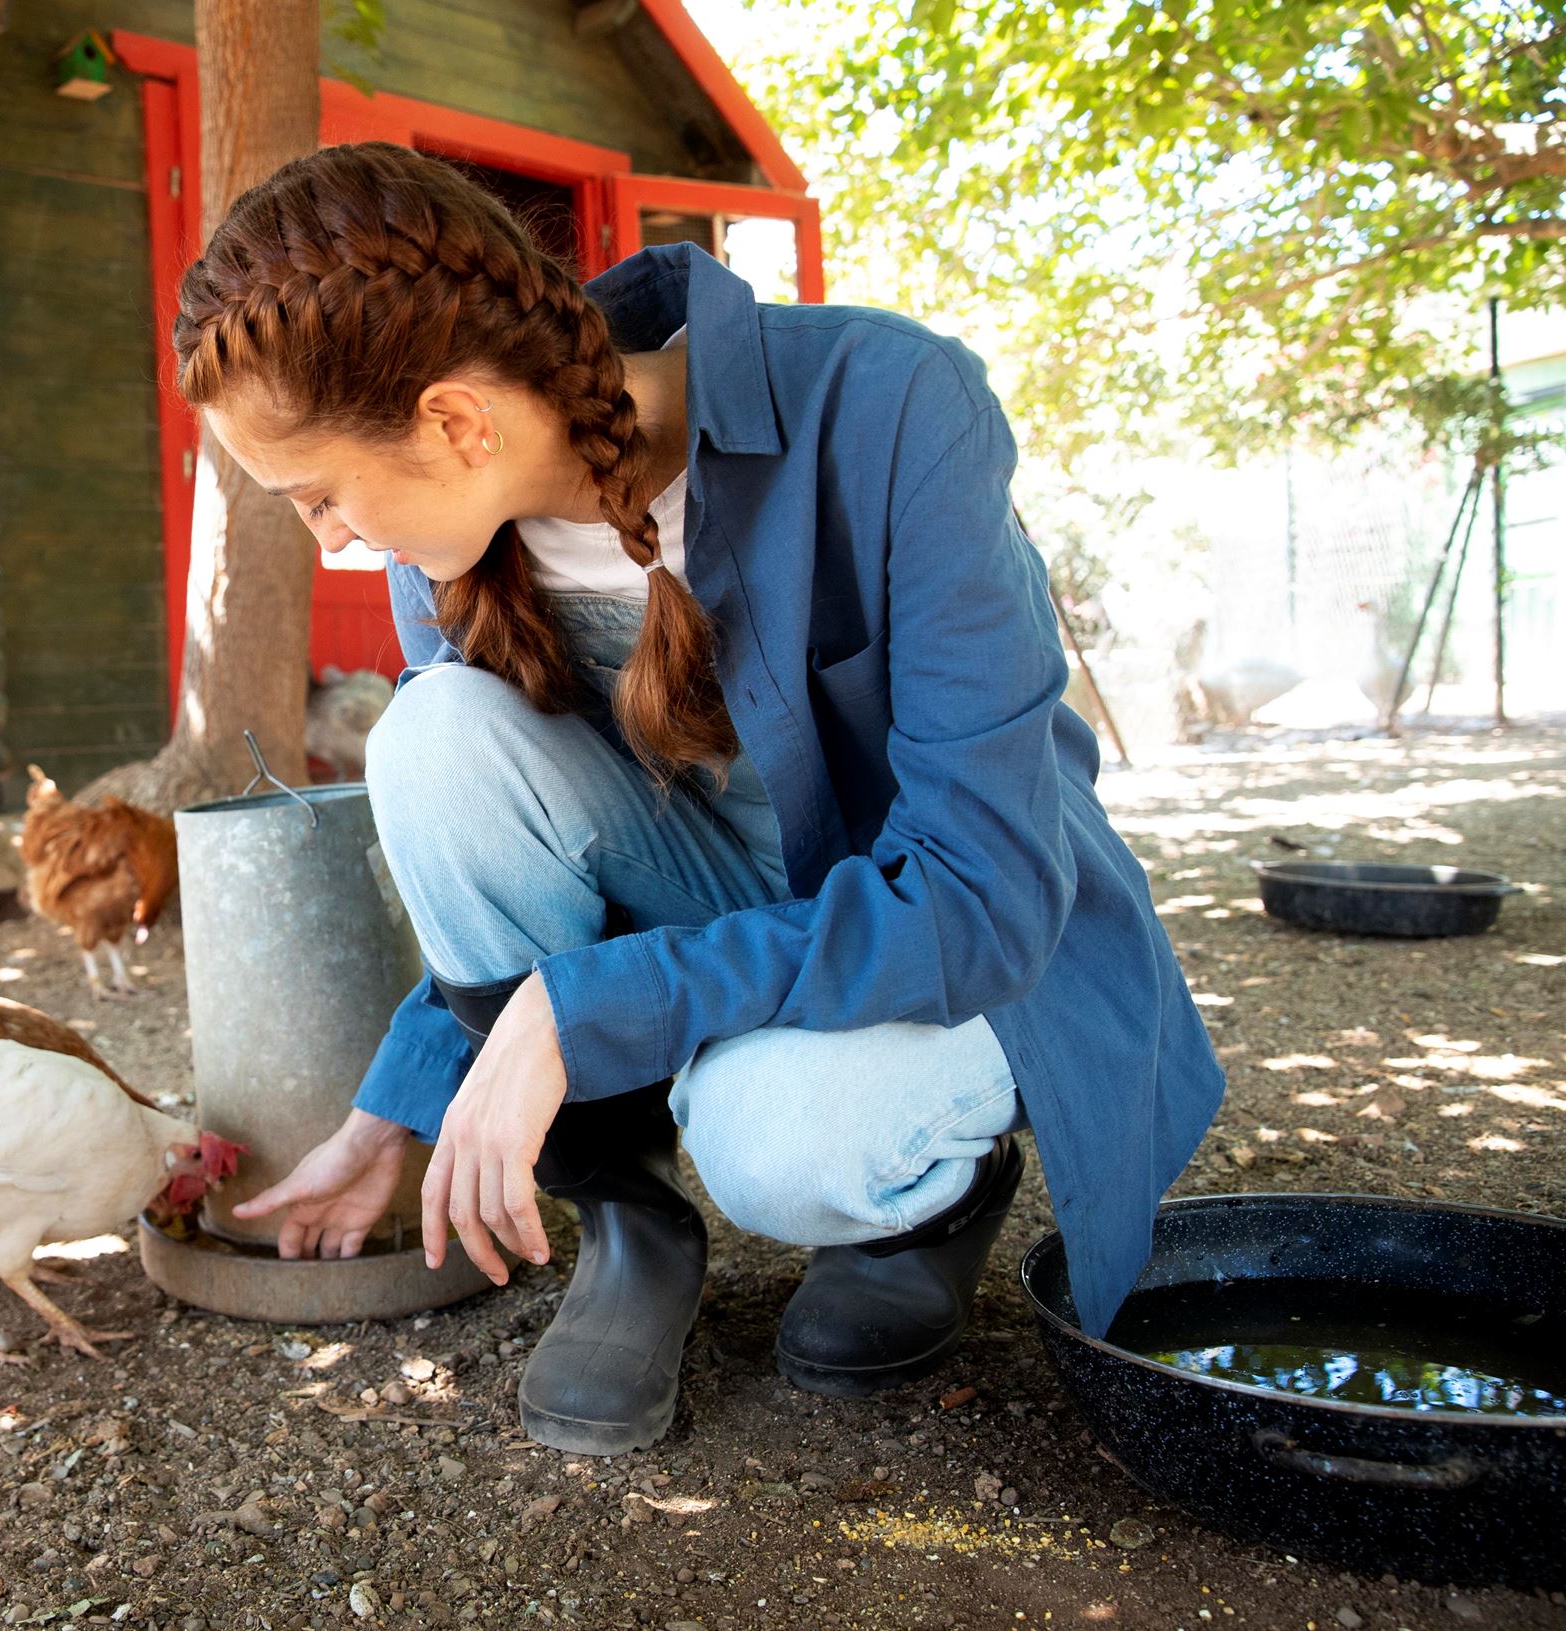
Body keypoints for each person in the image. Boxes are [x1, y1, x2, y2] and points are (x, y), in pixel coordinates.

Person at [192, 144, 1224, 1456]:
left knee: (774, 1141)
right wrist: (408, 1098)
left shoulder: (896, 407)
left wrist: (589, 1011)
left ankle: (930, 1199)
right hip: (725, 912)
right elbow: (505, 854)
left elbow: (984, 899)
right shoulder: (450, 538)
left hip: (953, 942)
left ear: (456, 420)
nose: (329, 538)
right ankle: (630, 1222)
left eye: (320, 494)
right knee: (428, 738)